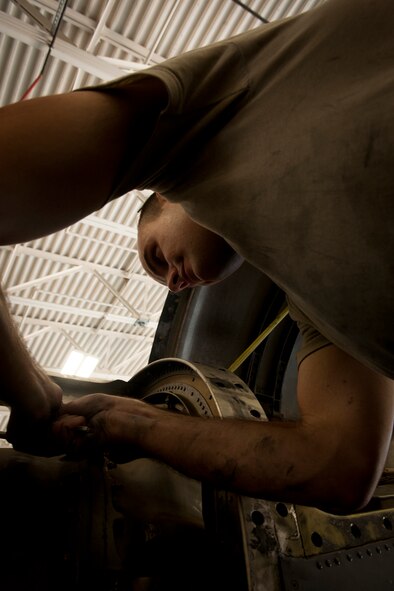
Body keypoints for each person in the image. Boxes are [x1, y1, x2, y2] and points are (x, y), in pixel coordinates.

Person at [0, 0, 393, 511]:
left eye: (155, 257)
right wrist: (129, 422)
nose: (173, 282)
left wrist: (33, 391)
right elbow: (337, 463)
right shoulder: (321, 307)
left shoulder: (203, 111)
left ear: (164, 198)